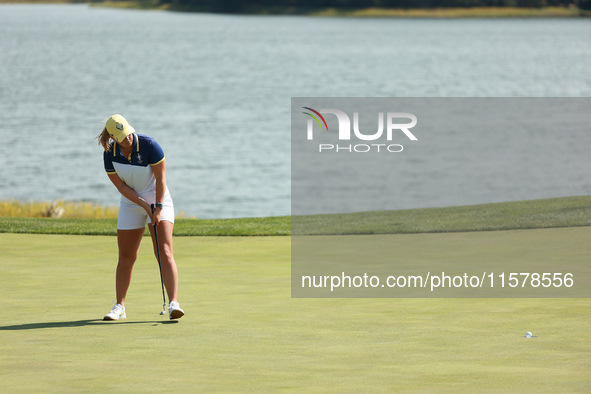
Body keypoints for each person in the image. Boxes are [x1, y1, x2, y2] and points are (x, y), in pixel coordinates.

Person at [96, 114, 184, 320]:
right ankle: (120, 307)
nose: (127, 138)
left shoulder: (149, 145)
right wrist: (144, 206)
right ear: (112, 137)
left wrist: (157, 207)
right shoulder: (109, 153)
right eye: (121, 136)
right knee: (127, 256)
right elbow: (121, 187)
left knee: (163, 250)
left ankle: (173, 303)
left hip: (159, 198)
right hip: (132, 202)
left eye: (127, 132)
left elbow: (161, 179)